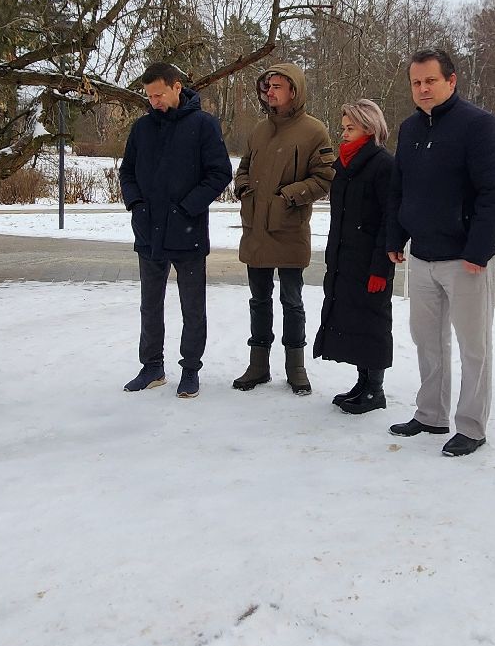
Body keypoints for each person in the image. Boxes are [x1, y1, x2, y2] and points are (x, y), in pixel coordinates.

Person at [385, 48, 495, 457]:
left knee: (474, 346)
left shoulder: (478, 125)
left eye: (430, 81)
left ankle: (472, 426)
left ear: (451, 81)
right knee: (426, 340)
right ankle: (430, 414)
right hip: (422, 255)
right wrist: (395, 236)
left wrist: (479, 248)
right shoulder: (408, 129)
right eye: (416, 82)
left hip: (466, 259)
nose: (422, 89)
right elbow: (401, 189)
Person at [118, 61, 232, 397]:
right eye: (149, 96)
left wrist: (186, 208)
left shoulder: (204, 125)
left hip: (188, 232)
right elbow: (127, 173)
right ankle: (152, 367)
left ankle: (191, 370)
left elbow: (219, 173)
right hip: (149, 231)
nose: (154, 101)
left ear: (176, 87)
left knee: (192, 307)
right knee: (150, 304)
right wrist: (136, 205)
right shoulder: (141, 129)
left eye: (159, 94)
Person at [231, 62, 335, 395]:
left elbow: (325, 177)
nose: (270, 92)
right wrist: (244, 187)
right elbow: (243, 168)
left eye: (277, 86)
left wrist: (289, 196)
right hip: (255, 230)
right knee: (259, 300)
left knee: (292, 302)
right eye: (267, 87)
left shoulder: (314, 131)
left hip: (289, 230)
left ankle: (296, 367)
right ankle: (258, 365)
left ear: (295, 90)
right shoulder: (259, 131)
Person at [315, 99, 397, 415]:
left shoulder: (383, 165)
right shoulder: (343, 166)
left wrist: (381, 267)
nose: (344, 133)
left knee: (373, 322)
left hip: (371, 263)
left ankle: (375, 389)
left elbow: (389, 220)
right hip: (344, 260)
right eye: (344, 127)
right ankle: (363, 383)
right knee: (352, 319)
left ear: (369, 128)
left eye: (351, 128)